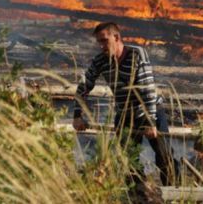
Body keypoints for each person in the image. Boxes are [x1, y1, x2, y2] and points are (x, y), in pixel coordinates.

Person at [73, 22, 179, 186]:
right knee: (129, 162)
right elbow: (84, 86)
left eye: (104, 41)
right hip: (125, 115)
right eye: (99, 42)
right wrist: (77, 116)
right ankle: (139, 196)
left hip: (150, 112)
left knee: (164, 157)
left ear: (116, 37)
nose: (102, 46)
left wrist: (150, 122)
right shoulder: (100, 60)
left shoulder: (137, 54)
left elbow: (147, 90)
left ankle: (174, 195)